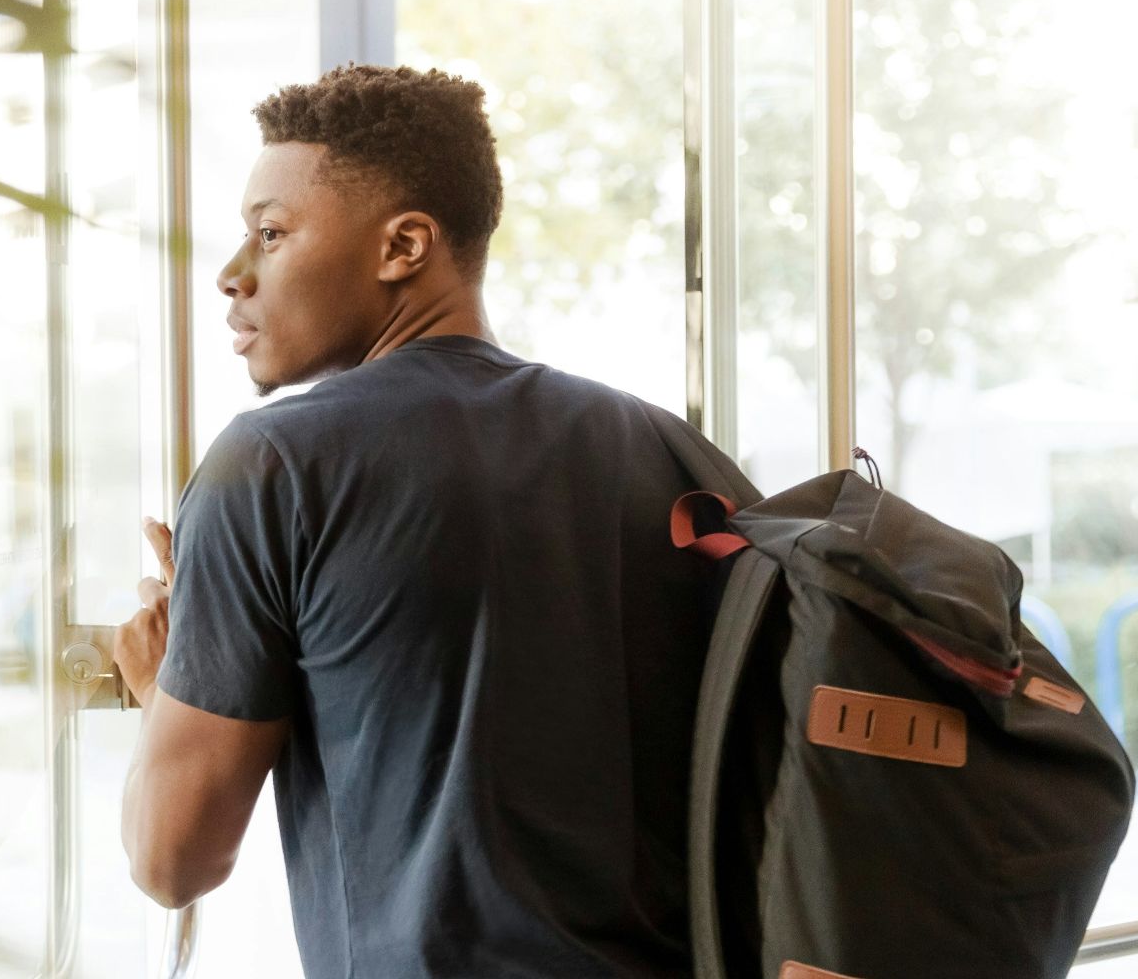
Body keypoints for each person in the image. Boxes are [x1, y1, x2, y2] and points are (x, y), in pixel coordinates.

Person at [112, 63, 714, 978]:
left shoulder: (273, 466)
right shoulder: (667, 451)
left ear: (404, 247)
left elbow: (172, 859)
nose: (233, 277)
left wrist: (164, 682)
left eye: (270, 235)